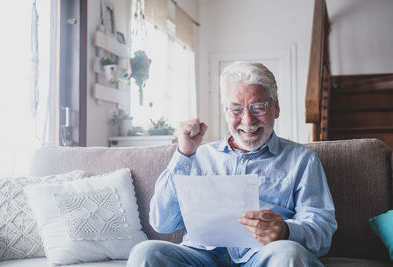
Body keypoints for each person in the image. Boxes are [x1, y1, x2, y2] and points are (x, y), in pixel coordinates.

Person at [126, 61, 337, 267]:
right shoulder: (197, 156)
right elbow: (162, 222)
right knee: (145, 253)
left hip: (265, 255)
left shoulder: (302, 160)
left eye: (257, 107)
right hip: (201, 256)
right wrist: (183, 154)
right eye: (236, 110)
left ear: (276, 107)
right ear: (226, 112)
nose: (247, 120)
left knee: (289, 254)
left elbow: (322, 231)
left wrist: (286, 231)